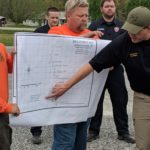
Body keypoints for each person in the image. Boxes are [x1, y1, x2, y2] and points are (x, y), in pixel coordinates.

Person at [47, 6, 150, 150]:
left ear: (148, 28)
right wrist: (66, 85)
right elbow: (92, 65)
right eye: (129, 29)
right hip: (144, 98)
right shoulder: (124, 41)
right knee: (144, 145)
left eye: (136, 30)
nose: (131, 34)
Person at [48, 0, 102, 150]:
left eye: (86, 15)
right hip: (64, 98)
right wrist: (87, 37)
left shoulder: (93, 36)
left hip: (85, 100)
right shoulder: (56, 31)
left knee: (80, 142)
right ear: (68, 15)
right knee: (65, 142)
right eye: (80, 15)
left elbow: (102, 63)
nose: (85, 19)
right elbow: (62, 47)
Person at [87, 0, 135, 144]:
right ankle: (93, 131)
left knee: (120, 101)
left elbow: (128, 47)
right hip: (98, 71)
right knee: (97, 102)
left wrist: (115, 63)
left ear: (115, 8)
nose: (109, 8)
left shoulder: (122, 26)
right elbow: (89, 47)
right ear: (102, 8)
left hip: (116, 71)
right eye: (106, 6)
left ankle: (123, 132)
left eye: (112, 6)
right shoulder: (94, 25)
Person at [30, 7, 60, 144]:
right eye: (52, 17)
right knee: (39, 101)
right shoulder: (38, 32)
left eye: (57, 17)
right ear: (46, 17)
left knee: (57, 100)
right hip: (41, 70)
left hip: (57, 70)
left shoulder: (63, 31)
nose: (55, 20)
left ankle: (60, 131)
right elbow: (32, 50)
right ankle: (36, 132)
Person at [0, 43, 20, 150]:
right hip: (3, 107)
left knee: (6, 141)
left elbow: (9, 68)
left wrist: (13, 56)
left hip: (2, 111)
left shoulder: (1, 47)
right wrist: (8, 107)